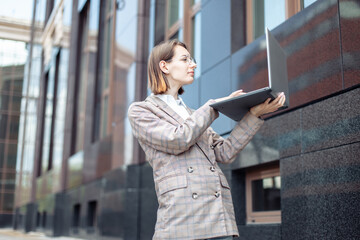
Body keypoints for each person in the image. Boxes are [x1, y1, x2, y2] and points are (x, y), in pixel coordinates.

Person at [128, 39, 286, 240]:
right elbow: (176, 139)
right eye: (185, 59)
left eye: (192, 60)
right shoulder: (142, 110)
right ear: (164, 65)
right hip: (181, 218)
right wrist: (213, 107)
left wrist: (253, 115)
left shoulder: (193, 114)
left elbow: (224, 151)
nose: (193, 65)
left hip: (218, 216)